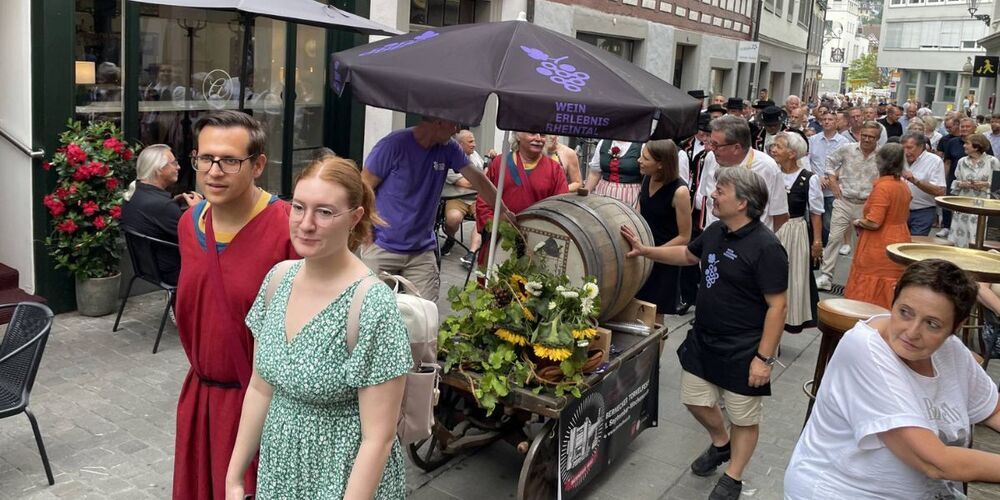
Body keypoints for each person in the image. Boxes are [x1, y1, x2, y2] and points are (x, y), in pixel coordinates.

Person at [225, 156, 411, 499]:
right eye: (298, 207)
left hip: (342, 477)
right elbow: (260, 388)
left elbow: (379, 437)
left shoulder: (370, 304)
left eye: (325, 212)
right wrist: (234, 477)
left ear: (354, 218)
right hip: (280, 471)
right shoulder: (278, 280)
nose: (306, 224)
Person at [621, 166, 788, 500]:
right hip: (704, 339)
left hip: (744, 348)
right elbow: (687, 254)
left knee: (743, 417)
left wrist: (763, 359)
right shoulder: (715, 230)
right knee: (695, 400)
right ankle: (721, 443)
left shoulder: (766, 247)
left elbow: (778, 307)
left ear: (743, 202)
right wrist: (646, 250)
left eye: (721, 191)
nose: (712, 194)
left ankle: (733, 476)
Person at [785, 259, 1000, 499]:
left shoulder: (950, 350)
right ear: (892, 299)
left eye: (932, 324)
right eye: (905, 312)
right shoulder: (865, 350)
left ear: (956, 327)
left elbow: (992, 410)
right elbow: (935, 462)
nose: (912, 332)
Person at [173, 110, 299, 500]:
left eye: (230, 160)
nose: (214, 171)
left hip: (260, 407)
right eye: (205, 158)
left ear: (258, 164)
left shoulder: (288, 229)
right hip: (200, 402)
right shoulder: (189, 224)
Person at [361, 116, 511, 301]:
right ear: (438, 121)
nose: (457, 130)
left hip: (421, 250)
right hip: (383, 245)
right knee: (373, 314)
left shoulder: (449, 148)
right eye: (454, 123)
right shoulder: (394, 145)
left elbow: (478, 179)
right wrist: (367, 234)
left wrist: (503, 212)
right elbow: (363, 188)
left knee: (425, 317)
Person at [476, 131, 568, 262]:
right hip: (500, 241)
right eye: (532, 133)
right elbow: (484, 200)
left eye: (542, 135)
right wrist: (498, 225)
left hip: (537, 244)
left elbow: (560, 208)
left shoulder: (555, 170)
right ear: (517, 136)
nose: (538, 139)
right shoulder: (499, 163)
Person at [121, 144, 202, 285]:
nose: (178, 167)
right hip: (173, 272)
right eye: (174, 163)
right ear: (159, 169)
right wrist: (198, 209)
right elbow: (199, 239)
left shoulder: (135, 194)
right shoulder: (162, 206)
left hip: (148, 269)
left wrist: (172, 203)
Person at [815, 121, 881, 292]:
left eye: (871, 137)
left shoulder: (882, 155)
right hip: (844, 200)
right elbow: (829, 162)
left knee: (862, 245)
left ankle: (858, 279)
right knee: (834, 238)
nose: (866, 139)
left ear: (878, 138)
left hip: (867, 205)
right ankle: (826, 276)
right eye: (864, 135)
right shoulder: (848, 149)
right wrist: (833, 182)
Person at [844, 143, 912, 309]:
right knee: (892, 285)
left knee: (872, 287)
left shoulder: (883, 187)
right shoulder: (902, 185)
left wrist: (859, 221)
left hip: (880, 244)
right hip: (901, 237)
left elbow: (874, 222)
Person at [697, 115, 789, 232]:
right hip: (714, 242)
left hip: (750, 245)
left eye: (716, 145)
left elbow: (780, 215)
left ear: (736, 148)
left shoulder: (767, 168)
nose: (710, 148)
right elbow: (706, 201)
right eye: (710, 142)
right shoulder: (711, 158)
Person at [770, 132, 823, 333]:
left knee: (793, 277)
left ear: (792, 153)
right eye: (773, 145)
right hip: (772, 227)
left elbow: (816, 213)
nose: (773, 149)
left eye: (779, 146)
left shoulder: (809, 179)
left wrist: (816, 243)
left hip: (795, 231)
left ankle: (786, 320)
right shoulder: (770, 172)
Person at [634, 139, 692, 317]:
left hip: (664, 260)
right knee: (637, 311)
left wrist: (653, 252)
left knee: (655, 317)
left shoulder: (680, 192)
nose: (639, 160)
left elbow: (684, 236)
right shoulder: (648, 178)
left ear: (660, 164)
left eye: (645, 158)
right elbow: (640, 213)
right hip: (643, 255)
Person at [441, 130, 485, 266]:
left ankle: (471, 253)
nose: (474, 145)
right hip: (457, 198)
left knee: (483, 219)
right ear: (459, 145)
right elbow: (466, 183)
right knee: (453, 219)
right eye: (470, 142)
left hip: (477, 198)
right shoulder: (449, 159)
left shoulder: (474, 155)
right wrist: (482, 178)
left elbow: (483, 177)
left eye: (474, 141)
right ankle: (451, 238)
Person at [948, 133, 1000, 248]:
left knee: (979, 236)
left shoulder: (992, 161)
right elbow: (955, 183)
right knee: (960, 241)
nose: (964, 146)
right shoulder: (962, 161)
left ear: (976, 147)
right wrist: (963, 184)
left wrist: (985, 184)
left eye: (967, 143)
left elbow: (998, 186)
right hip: (964, 205)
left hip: (984, 206)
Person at [808, 111, 851, 245]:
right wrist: (817, 177)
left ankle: (829, 247)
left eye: (830, 119)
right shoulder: (813, 140)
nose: (827, 122)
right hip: (815, 186)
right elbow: (808, 161)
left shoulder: (844, 142)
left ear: (836, 122)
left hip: (833, 189)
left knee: (829, 222)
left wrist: (830, 177)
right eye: (824, 119)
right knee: (813, 219)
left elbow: (846, 164)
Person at [936, 117, 978, 238]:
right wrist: (943, 180)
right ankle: (947, 227)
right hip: (954, 178)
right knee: (949, 201)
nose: (964, 129)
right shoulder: (952, 142)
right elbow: (947, 162)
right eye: (962, 126)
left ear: (974, 128)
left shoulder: (981, 141)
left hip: (975, 181)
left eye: (967, 126)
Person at [900, 133, 946, 236]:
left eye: (909, 148)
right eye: (903, 148)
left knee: (915, 247)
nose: (906, 152)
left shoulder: (934, 161)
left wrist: (915, 180)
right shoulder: (899, 158)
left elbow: (939, 191)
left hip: (923, 212)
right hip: (899, 211)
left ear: (921, 146)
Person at [584, 137, 643, 209]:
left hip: (630, 195)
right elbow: (594, 174)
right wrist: (584, 196)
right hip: (603, 193)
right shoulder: (603, 142)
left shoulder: (641, 145)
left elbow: (647, 175)